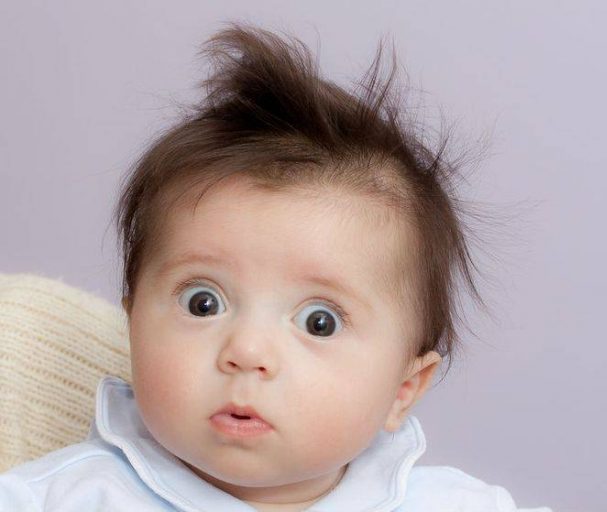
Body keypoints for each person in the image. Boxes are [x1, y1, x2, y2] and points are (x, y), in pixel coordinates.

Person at [0, 22, 552, 512]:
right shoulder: (57, 498)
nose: (247, 351)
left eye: (319, 322)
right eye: (203, 303)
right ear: (133, 323)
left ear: (403, 389)